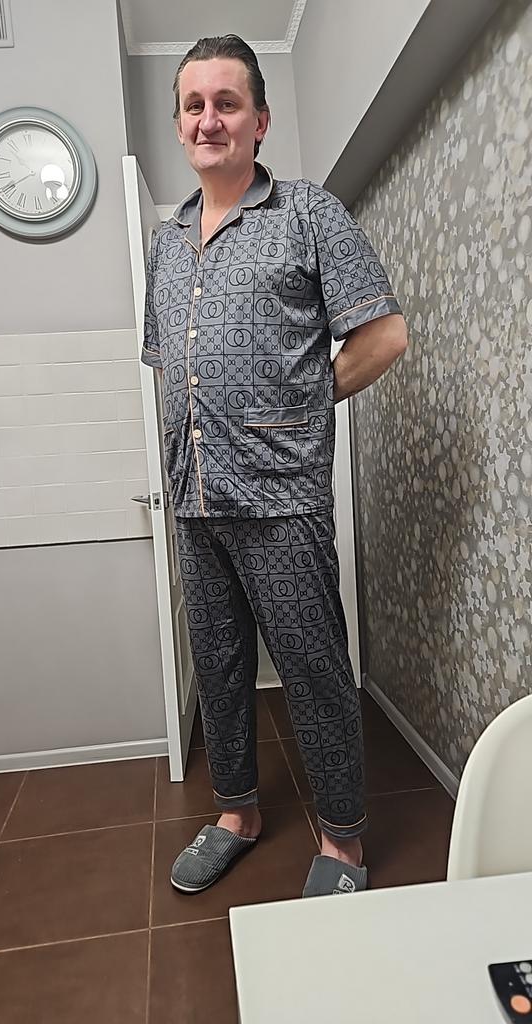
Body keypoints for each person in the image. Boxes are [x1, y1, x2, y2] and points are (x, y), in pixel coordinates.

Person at [141, 34, 408, 898]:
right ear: (179, 123)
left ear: (259, 121)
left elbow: (384, 335)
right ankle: (237, 814)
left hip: (281, 496)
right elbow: (168, 366)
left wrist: (300, 401)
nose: (208, 119)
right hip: (194, 497)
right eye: (193, 104)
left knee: (314, 668)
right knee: (218, 667)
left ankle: (343, 843)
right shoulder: (165, 244)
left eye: (227, 103)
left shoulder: (307, 214)